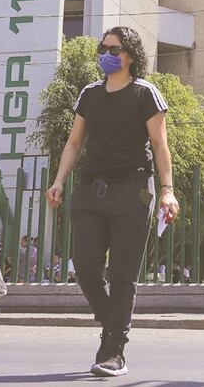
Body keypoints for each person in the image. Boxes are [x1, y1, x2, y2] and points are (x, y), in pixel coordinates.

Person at [47, 25, 179, 378]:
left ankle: (113, 350)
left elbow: (160, 145)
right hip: (90, 188)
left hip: (132, 189)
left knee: (122, 275)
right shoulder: (90, 94)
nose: (106, 54)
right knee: (85, 265)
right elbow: (75, 143)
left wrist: (167, 189)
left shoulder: (144, 94)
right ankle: (112, 319)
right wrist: (59, 181)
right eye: (103, 48)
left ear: (131, 56)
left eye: (114, 49)